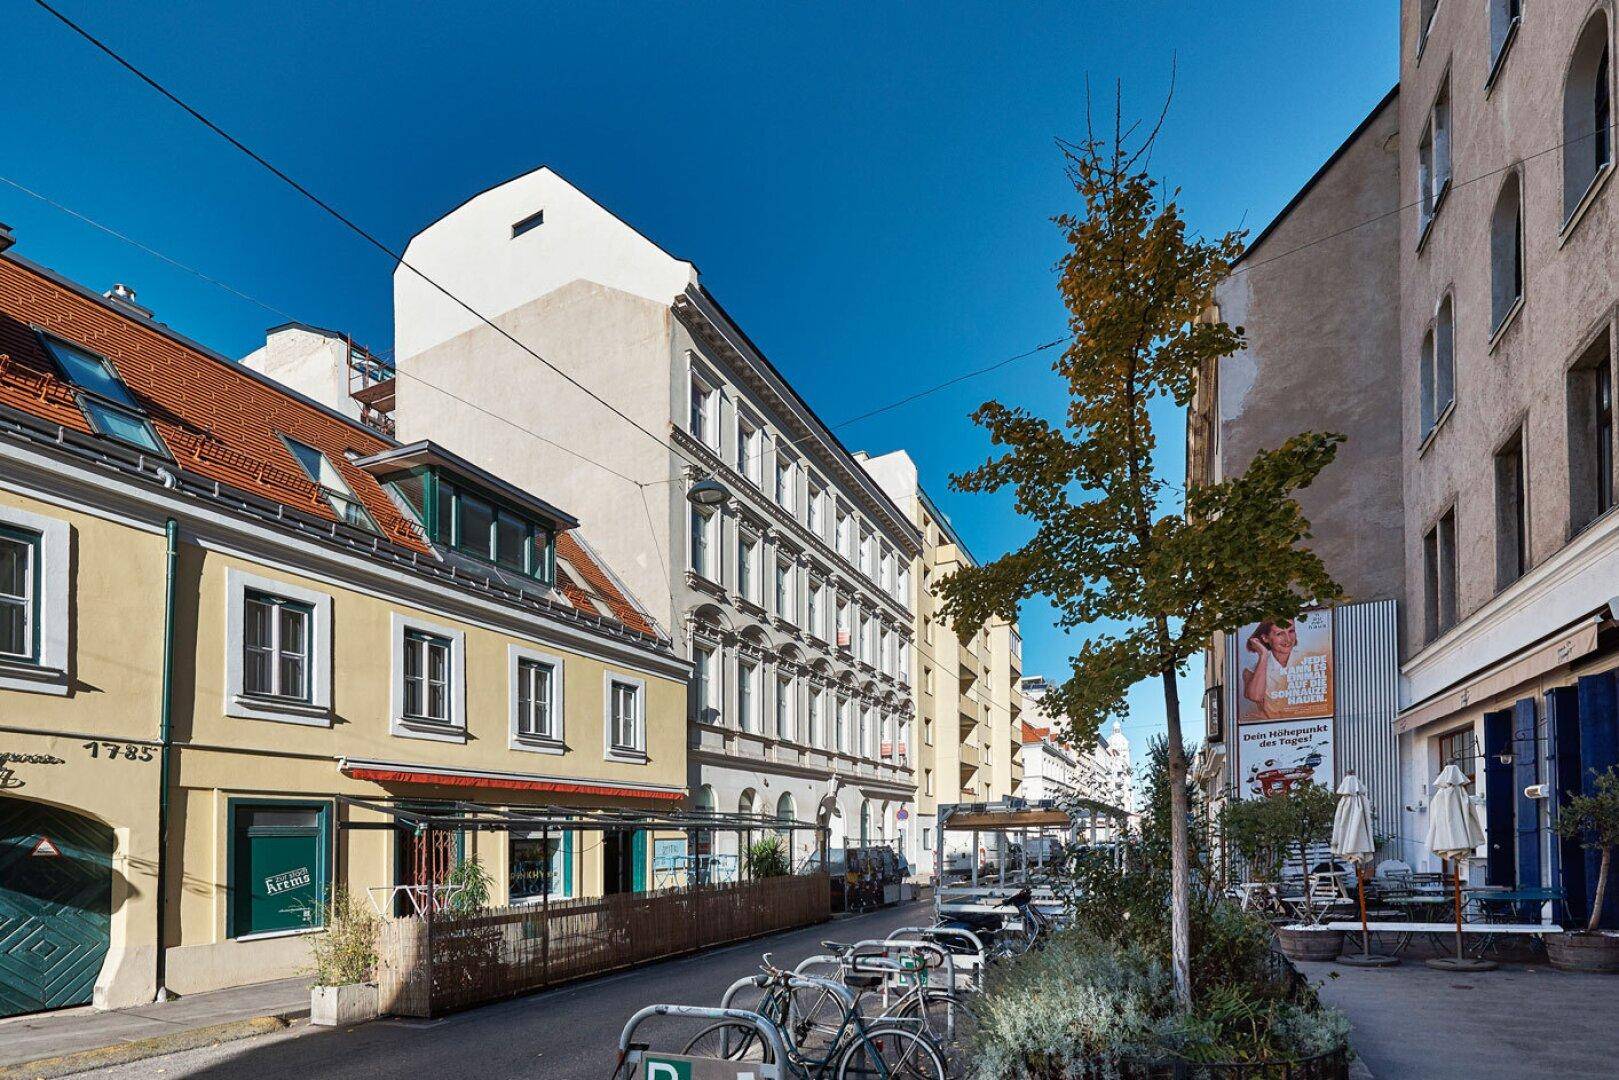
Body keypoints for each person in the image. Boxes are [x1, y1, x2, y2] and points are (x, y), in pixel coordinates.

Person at [1242, 618, 1298, 720]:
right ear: (1265, 638)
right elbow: (1255, 696)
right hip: (1273, 728)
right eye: (1280, 634)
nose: (1288, 639)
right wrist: (1263, 655)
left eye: (1291, 631)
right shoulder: (1251, 671)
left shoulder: (1310, 658)